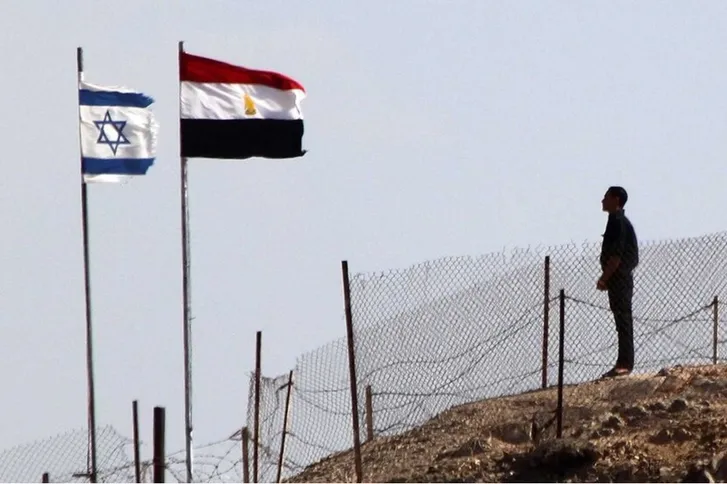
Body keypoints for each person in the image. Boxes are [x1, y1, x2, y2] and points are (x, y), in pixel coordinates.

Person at [597, 186, 639, 378]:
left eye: (606, 197)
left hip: (620, 279)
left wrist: (604, 278)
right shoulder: (613, 221)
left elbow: (616, 256)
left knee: (623, 321)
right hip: (617, 279)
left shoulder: (618, 223)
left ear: (615, 199)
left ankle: (625, 364)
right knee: (620, 321)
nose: (602, 200)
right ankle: (622, 362)